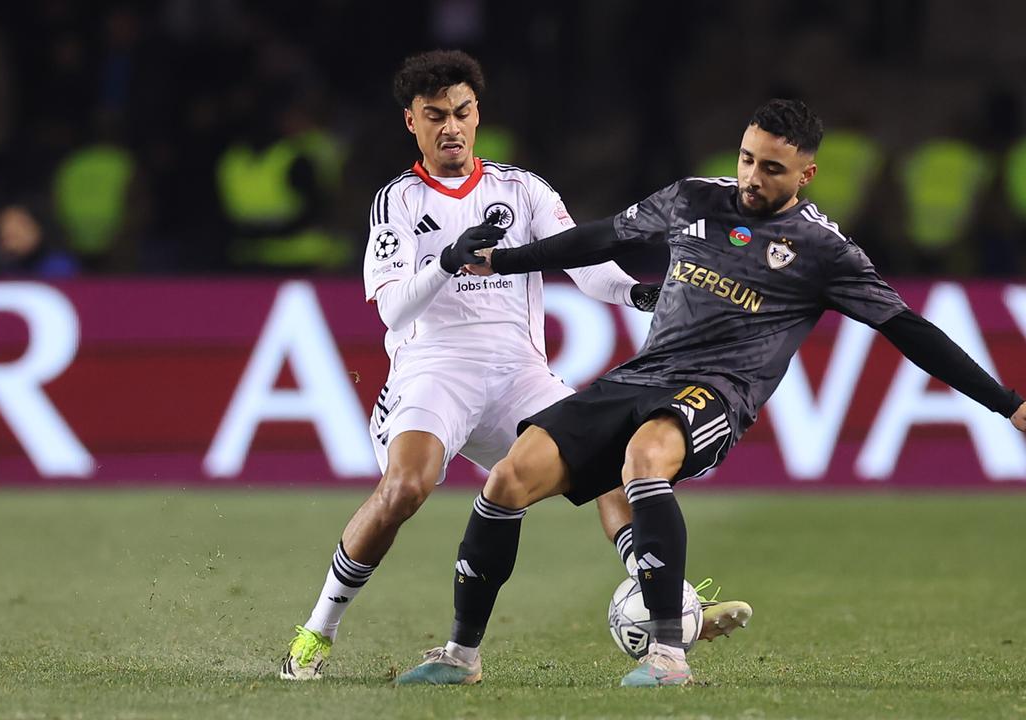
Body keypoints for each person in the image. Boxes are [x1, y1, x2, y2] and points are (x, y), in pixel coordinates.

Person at [395, 99, 1026, 688]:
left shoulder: (824, 251)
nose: (752, 177)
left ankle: (666, 656)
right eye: (749, 159)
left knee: (645, 457)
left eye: (772, 168)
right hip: (643, 374)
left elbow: (908, 329)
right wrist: (504, 259)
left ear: (806, 174)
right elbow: (605, 235)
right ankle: (461, 655)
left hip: (717, 394)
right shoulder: (694, 198)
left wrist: (1006, 402)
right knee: (509, 478)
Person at [280, 50, 750, 681]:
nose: (451, 127)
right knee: (406, 488)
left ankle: (673, 603)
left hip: (518, 372)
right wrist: (446, 260)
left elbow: (586, 266)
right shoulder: (397, 202)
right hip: (434, 368)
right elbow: (393, 311)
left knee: (613, 472)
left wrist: (637, 293)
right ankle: (316, 634)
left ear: (478, 115)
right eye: (435, 115)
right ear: (411, 123)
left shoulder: (522, 190)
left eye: (462, 112)